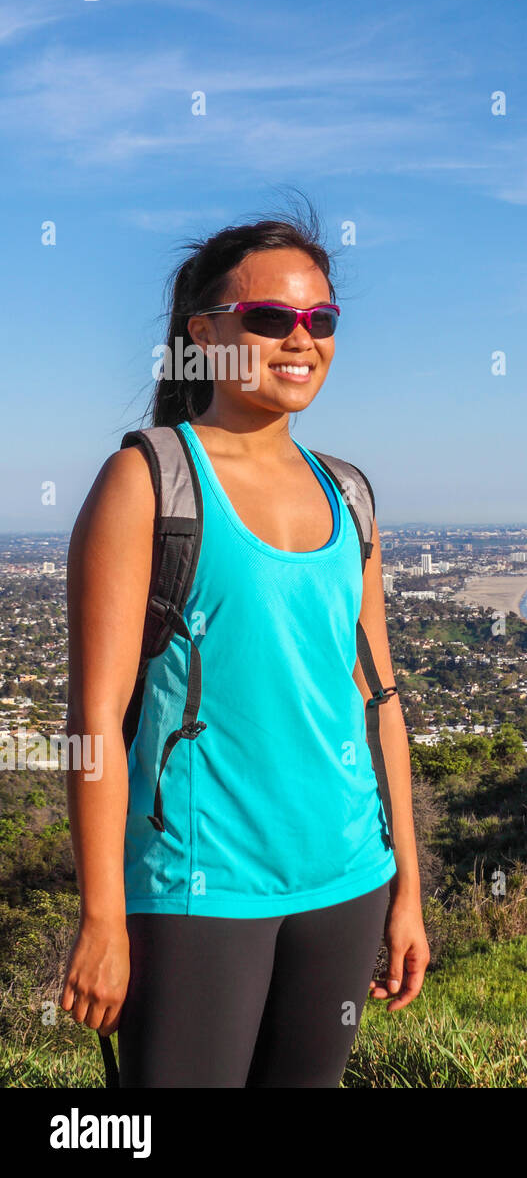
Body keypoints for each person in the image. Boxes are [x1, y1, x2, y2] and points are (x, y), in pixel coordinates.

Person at [59, 206, 430, 1087]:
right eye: (271, 318)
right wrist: (103, 916)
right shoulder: (149, 479)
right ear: (205, 334)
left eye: (321, 320)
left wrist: (408, 890)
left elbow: (377, 700)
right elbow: (94, 720)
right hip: (199, 885)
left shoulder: (349, 494)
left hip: (347, 878)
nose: (301, 339)